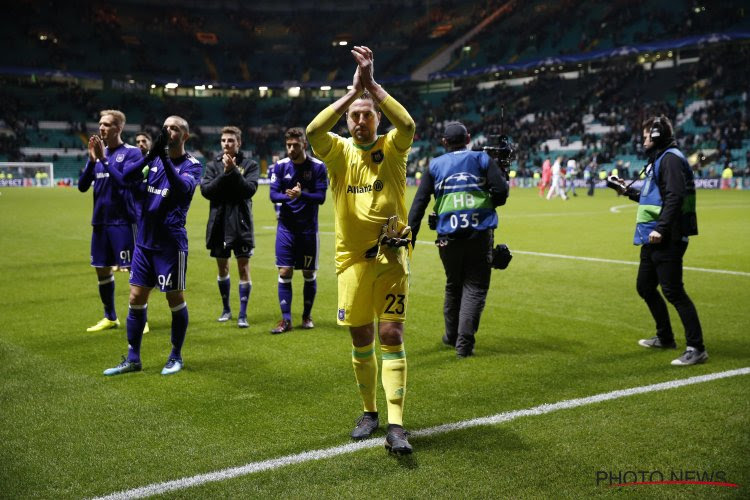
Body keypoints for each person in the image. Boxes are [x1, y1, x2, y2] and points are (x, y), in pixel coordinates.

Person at [306, 46, 415, 454]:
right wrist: (351, 94)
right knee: (360, 336)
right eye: (355, 115)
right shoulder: (337, 152)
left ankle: (396, 424)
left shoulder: (391, 148)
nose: (360, 120)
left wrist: (373, 87)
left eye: (367, 113)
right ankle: (369, 411)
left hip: (392, 257)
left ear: (377, 118)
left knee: (391, 332)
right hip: (350, 260)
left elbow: (408, 123)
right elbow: (314, 132)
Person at [101, 115, 203, 376]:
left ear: (185, 136)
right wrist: (150, 157)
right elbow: (125, 179)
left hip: (170, 245)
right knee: (136, 298)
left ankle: (175, 355)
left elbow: (181, 189)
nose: (169, 131)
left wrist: (165, 159)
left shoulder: (192, 165)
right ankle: (133, 358)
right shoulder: (154, 161)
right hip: (144, 243)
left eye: (175, 128)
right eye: (166, 127)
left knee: (174, 299)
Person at [609, 115, 706, 366]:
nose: (642, 141)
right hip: (653, 234)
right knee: (645, 286)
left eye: (645, 136)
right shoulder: (661, 159)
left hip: (667, 235)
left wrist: (662, 228)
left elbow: (675, 196)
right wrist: (626, 189)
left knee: (674, 291)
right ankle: (665, 337)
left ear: (655, 135)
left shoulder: (671, 159)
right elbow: (653, 198)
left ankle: (697, 347)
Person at [407, 122, 508, 358]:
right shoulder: (482, 159)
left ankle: (451, 336)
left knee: (453, 284)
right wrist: (487, 200)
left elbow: (419, 205)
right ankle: (464, 344)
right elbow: (501, 193)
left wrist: (409, 238)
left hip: (447, 237)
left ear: (444, 142)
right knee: (475, 285)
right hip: (478, 235)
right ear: (469, 138)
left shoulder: (434, 165)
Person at [78, 109, 143, 333]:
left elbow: (125, 182)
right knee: (101, 269)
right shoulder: (98, 154)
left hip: (124, 221)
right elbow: (82, 186)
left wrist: (104, 161)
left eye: (107, 124)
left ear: (119, 128)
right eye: (100, 124)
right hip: (101, 222)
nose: (101, 128)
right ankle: (110, 317)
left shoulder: (132, 153)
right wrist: (91, 160)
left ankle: (140, 319)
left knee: (135, 271)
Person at [268, 127, 328, 333]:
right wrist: (291, 196)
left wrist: (301, 195)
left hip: (308, 230)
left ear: (304, 144)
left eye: (295, 145)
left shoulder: (318, 167)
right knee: (284, 271)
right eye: (288, 145)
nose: (291, 148)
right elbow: (273, 195)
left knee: (309, 273)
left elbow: (321, 197)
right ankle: (286, 320)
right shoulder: (280, 166)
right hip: (286, 228)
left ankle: (306, 315)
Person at [199, 126, 260, 328]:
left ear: (239, 143)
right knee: (223, 267)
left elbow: (248, 190)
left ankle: (242, 314)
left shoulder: (250, 165)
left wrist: (232, 171)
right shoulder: (212, 165)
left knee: (243, 267)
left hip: (241, 223)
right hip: (219, 224)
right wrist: (227, 174)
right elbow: (207, 191)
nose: (226, 144)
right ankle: (226, 309)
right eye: (224, 140)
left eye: (231, 141)